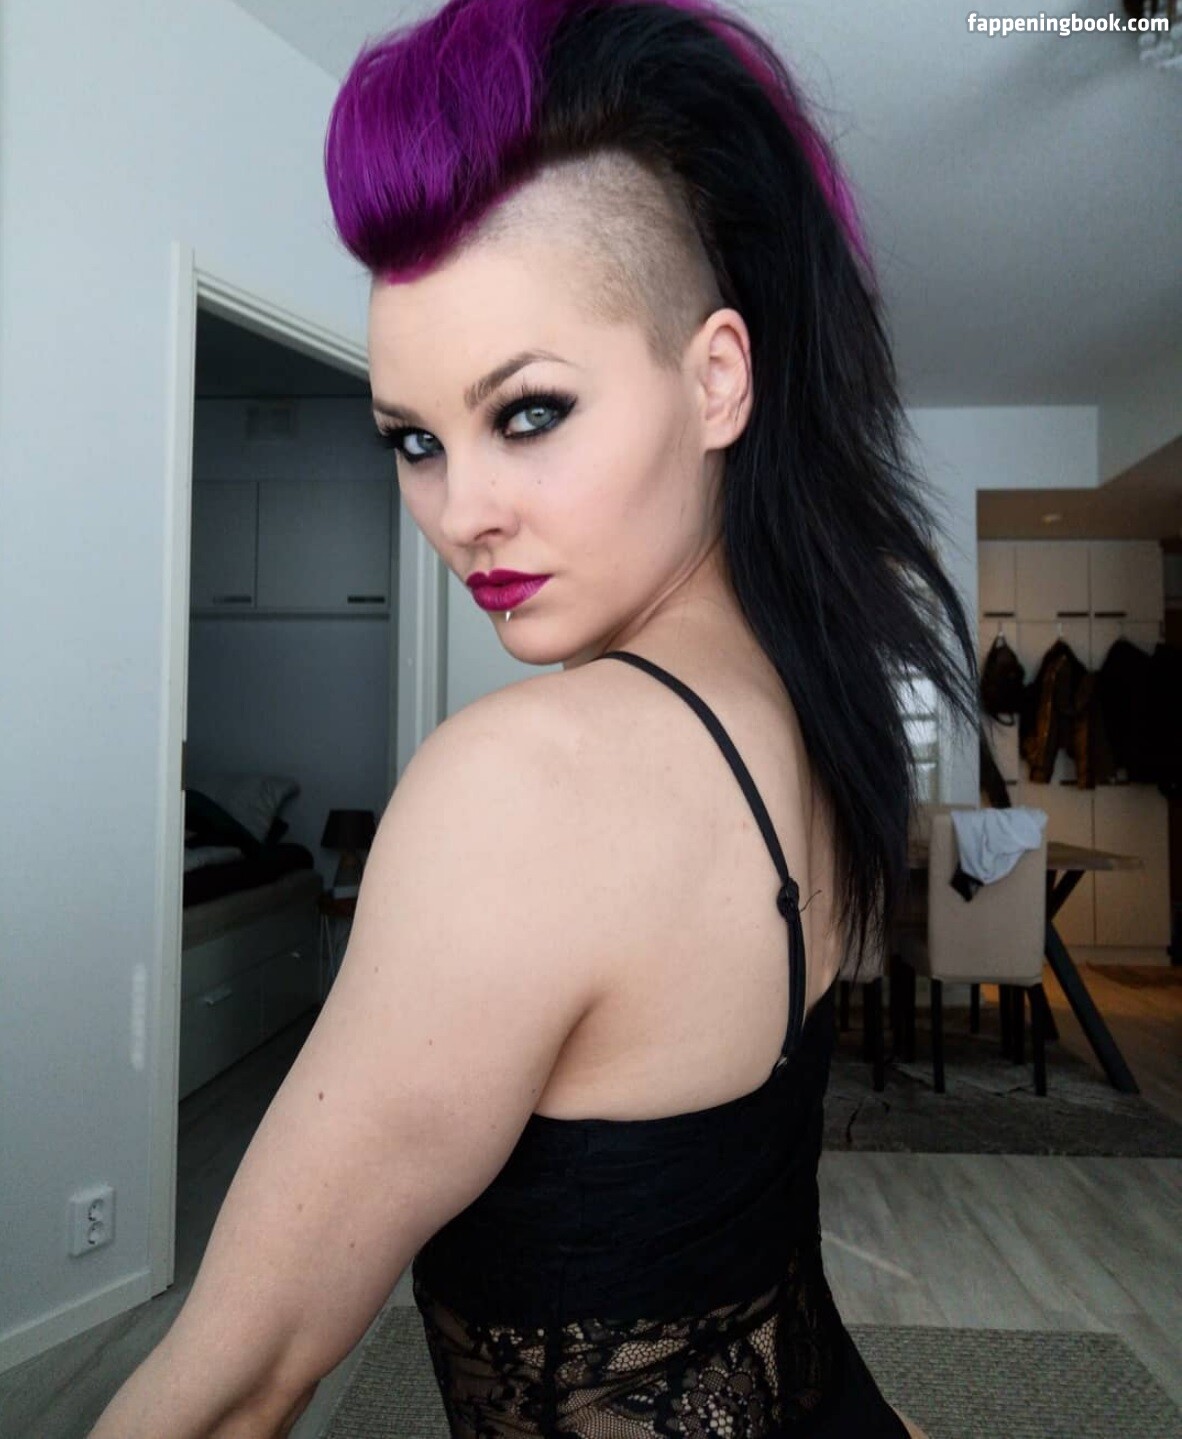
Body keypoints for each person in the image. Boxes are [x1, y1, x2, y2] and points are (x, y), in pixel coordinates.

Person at [89, 0, 980, 1433]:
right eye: (413, 439)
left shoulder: (525, 784)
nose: (462, 512)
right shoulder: (807, 710)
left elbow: (238, 1386)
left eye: (527, 413)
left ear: (716, 378)